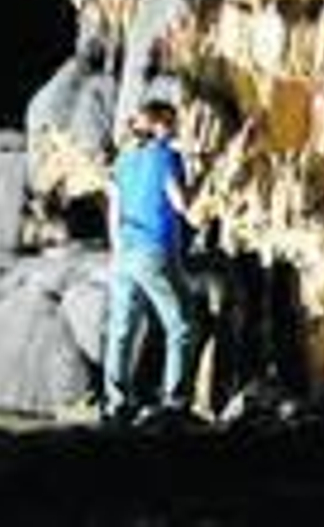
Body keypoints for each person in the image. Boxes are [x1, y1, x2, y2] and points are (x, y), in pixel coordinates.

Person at [102, 99, 196, 423]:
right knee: (181, 325)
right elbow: (181, 204)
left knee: (122, 329)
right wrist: (199, 177)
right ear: (158, 125)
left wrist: (118, 251)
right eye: (172, 122)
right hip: (154, 250)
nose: (176, 129)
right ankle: (175, 403)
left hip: (124, 252)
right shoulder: (166, 156)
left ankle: (116, 404)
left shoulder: (123, 160)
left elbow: (114, 211)